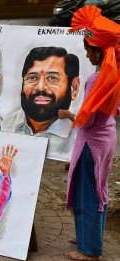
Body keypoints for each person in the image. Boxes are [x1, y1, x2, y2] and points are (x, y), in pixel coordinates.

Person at [62, 5, 120, 261]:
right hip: (106, 139)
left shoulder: (95, 81)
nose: (86, 55)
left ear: (98, 51)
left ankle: (90, 250)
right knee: (99, 189)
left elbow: (88, 121)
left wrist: (68, 115)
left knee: (88, 193)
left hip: (92, 144)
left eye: (88, 50)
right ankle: (87, 234)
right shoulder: (114, 74)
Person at [3, 47, 80, 161]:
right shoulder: (7, 124)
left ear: (74, 88)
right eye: (33, 77)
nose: (40, 87)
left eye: (52, 78)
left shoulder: (79, 137)